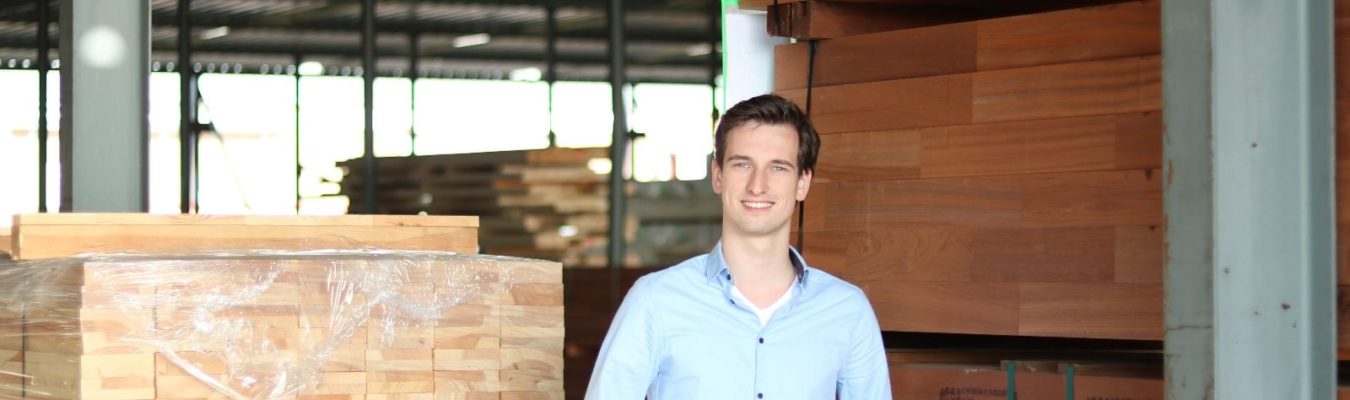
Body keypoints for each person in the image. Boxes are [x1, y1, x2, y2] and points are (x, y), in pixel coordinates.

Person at [585, 94, 891, 399]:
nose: (757, 185)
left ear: (803, 183)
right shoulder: (655, 301)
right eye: (742, 164)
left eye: (778, 168)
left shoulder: (848, 311)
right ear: (718, 176)